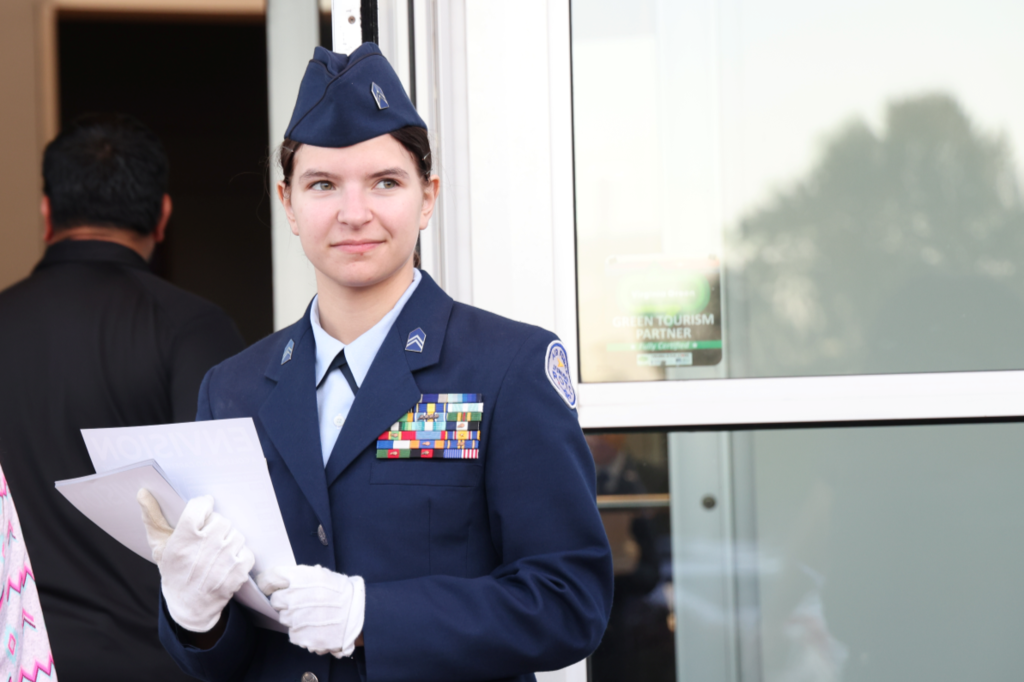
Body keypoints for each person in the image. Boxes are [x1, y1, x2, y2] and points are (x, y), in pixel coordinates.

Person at [143, 43, 613, 681]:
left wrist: (373, 615)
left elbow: (568, 602)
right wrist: (195, 616)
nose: (353, 213)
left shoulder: (507, 368)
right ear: (287, 203)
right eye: (323, 185)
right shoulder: (234, 388)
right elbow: (227, 659)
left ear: (427, 198)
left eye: (385, 182)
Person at [0, 113, 245, 680]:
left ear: (46, 213)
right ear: (162, 215)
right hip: (152, 662)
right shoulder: (194, 328)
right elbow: (231, 515)